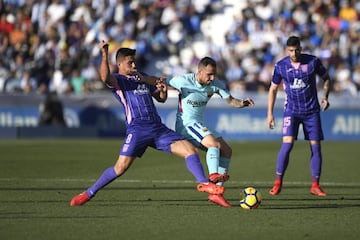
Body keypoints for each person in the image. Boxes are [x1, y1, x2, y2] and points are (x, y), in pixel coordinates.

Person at [70, 41, 224, 206]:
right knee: (120, 168)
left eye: (134, 61)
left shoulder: (141, 77)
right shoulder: (118, 80)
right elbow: (104, 77)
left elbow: (161, 98)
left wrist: (163, 90)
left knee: (190, 150)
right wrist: (104, 54)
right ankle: (88, 193)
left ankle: (204, 183)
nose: (134, 64)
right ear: (119, 64)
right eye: (130, 62)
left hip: (158, 128)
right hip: (137, 130)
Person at [166, 57, 254, 207]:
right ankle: (213, 176)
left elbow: (231, 100)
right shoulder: (183, 80)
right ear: (199, 72)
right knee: (213, 145)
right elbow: (162, 80)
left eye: (214, 75)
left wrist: (242, 103)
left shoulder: (215, 84)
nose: (212, 78)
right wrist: (144, 80)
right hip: (186, 125)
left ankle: (216, 193)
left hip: (199, 124)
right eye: (209, 75)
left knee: (226, 151)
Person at [267, 36, 331, 197]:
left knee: (315, 146)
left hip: (311, 111)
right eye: (290, 50)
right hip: (291, 111)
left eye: (296, 50)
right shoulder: (281, 66)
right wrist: (270, 114)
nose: (294, 53)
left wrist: (326, 96)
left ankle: (315, 185)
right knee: (287, 145)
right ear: (286, 50)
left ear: (300, 48)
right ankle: (278, 182)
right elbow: (273, 89)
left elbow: (327, 78)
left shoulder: (312, 62)